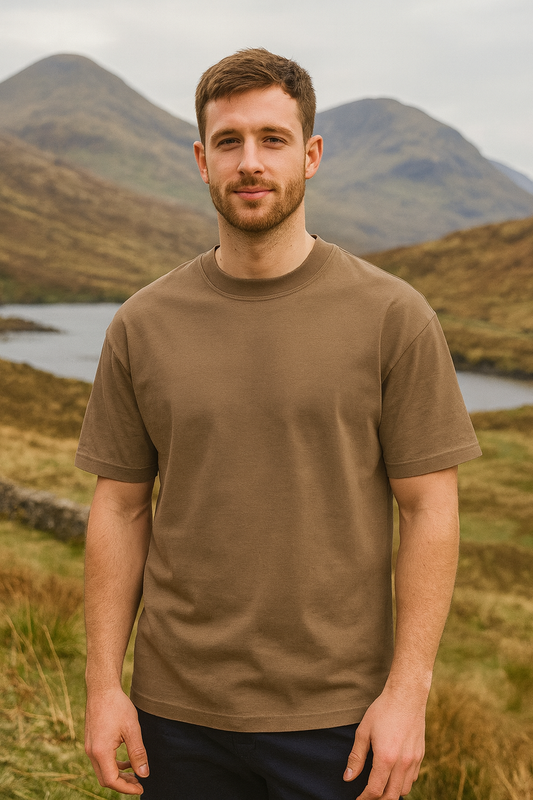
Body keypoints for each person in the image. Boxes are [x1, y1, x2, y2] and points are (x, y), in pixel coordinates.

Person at [77, 48, 482, 800]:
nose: (250, 161)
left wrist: (408, 693)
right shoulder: (142, 324)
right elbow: (120, 505)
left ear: (311, 154)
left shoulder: (393, 316)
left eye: (272, 138)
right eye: (229, 142)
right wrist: (105, 687)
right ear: (202, 160)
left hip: (340, 719)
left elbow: (430, 505)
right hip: (175, 715)